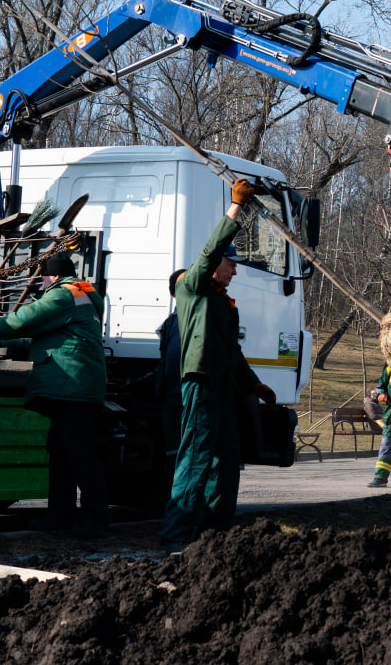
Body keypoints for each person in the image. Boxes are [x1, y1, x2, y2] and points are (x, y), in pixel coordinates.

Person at [160, 179, 275, 552]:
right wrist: (235, 209)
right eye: (231, 264)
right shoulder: (192, 289)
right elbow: (209, 252)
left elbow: (233, 353)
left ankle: (214, 532)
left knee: (227, 460)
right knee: (195, 458)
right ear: (212, 267)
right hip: (202, 383)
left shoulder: (223, 304)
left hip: (223, 386)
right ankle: (177, 535)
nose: (235, 271)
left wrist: (253, 384)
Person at [0, 252, 109, 537]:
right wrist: (15, 345)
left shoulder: (63, 294)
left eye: (43, 279)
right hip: (75, 385)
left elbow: (27, 317)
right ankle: (60, 515)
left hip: (72, 387)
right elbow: (54, 339)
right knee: (62, 452)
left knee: (78, 452)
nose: (42, 285)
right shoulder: (82, 295)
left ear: (51, 276)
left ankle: (95, 518)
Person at [137, 269, 187, 464]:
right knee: (174, 456)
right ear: (174, 293)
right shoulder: (171, 323)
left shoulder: (200, 317)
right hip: (174, 397)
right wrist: (139, 383)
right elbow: (166, 364)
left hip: (188, 396)